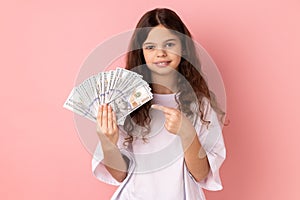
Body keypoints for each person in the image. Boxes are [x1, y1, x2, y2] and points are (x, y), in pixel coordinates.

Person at [93, 8, 226, 199]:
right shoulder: (126, 103)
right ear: (141, 53)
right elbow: (119, 174)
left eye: (170, 44)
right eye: (150, 47)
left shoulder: (201, 105)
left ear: (183, 47)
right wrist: (108, 143)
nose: (161, 53)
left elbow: (201, 174)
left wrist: (187, 134)